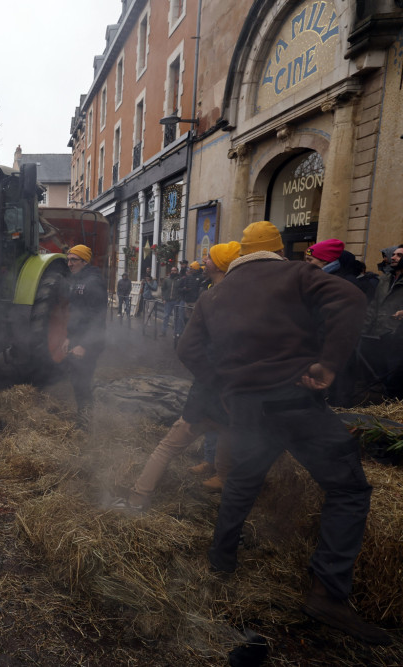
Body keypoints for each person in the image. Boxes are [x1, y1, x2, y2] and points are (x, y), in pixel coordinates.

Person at [176, 220, 389, 645]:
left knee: (242, 481)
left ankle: (221, 561)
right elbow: (349, 297)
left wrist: (223, 387)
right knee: (348, 491)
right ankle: (328, 593)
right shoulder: (297, 273)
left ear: (240, 256)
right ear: (278, 249)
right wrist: (328, 363)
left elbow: (186, 349)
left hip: (248, 408)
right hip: (295, 402)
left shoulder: (214, 295)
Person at [111, 242, 241, 512]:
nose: (203, 261)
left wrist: (210, 378)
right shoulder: (242, 295)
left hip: (211, 391)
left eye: (209, 258)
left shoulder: (214, 297)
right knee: (228, 434)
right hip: (236, 391)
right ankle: (225, 481)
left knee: (168, 446)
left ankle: (138, 496)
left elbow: (189, 348)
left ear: (220, 264)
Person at [61, 244, 107, 428]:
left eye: (74, 260)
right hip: (78, 340)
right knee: (78, 382)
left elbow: (98, 318)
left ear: (84, 261)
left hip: (89, 343)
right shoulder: (78, 280)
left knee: (82, 383)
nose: (69, 264)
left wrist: (85, 345)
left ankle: (86, 425)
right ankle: (83, 418)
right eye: (68, 259)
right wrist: (69, 338)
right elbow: (76, 316)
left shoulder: (93, 281)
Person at [360, 244, 403, 398]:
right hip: (378, 335)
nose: (393, 257)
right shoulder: (385, 279)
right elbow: (373, 307)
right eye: (394, 254)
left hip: (397, 337)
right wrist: (364, 330)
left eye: (398, 255)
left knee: (394, 378)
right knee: (376, 373)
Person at [160, 266, 183, 334]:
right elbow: (163, 289)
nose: (173, 272)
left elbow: (181, 290)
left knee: (176, 317)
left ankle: (176, 332)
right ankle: (164, 331)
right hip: (168, 301)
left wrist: (179, 298)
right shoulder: (167, 280)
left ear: (177, 271)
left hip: (176, 301)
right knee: (166, 316)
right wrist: (163, 298)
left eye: (174, 270)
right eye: (172, 270)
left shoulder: (179, 280)